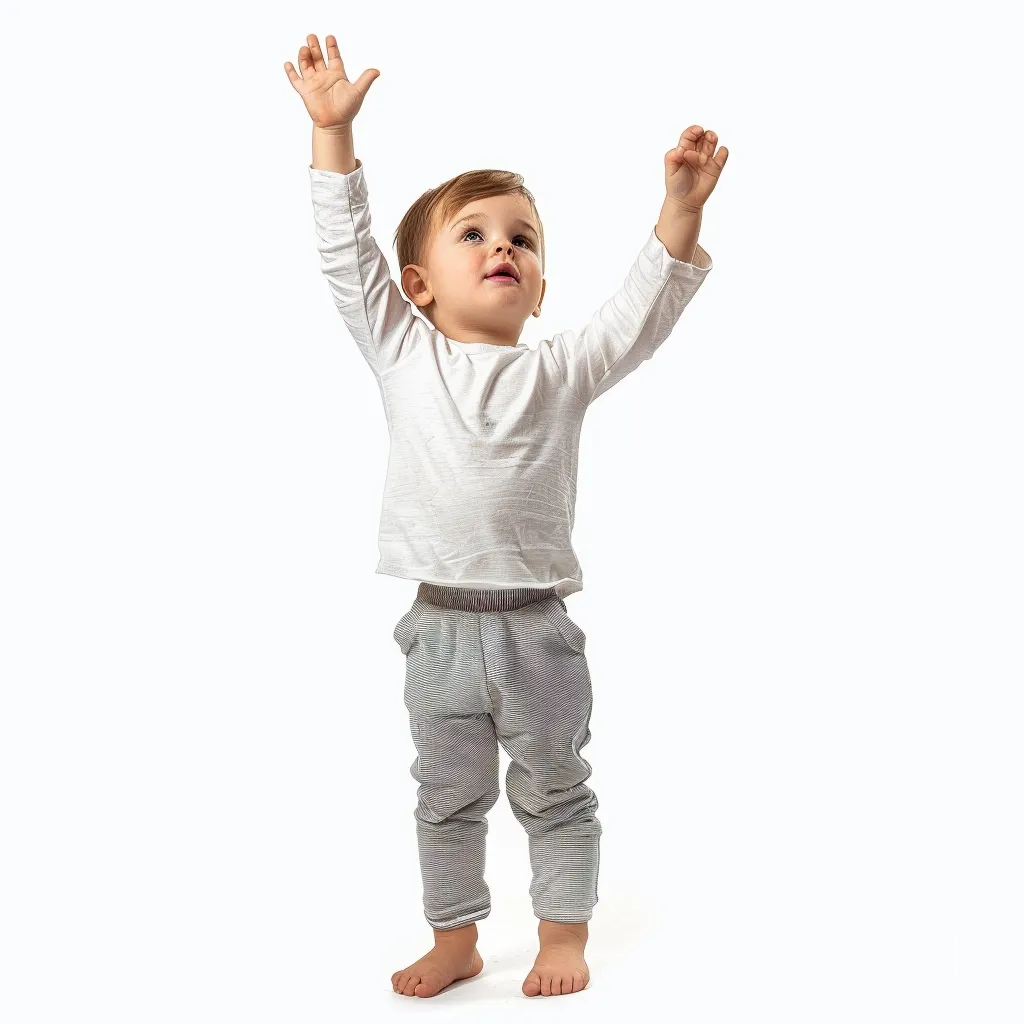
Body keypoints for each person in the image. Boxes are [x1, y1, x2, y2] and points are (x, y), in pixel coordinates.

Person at [284, 31, 728, 999]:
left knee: (556, 788)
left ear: (538, 290)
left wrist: (679, 211)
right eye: (475, 235)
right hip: (438, 627)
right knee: (445, 800)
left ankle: (563, 935)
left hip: (536, 630)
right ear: (416, 286)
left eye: (522, 239)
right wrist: (333, 138)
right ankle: (455, 939)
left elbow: (637, 314)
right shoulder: (403, 350)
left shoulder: (559, 369)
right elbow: (346, 255)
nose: (503, 248)